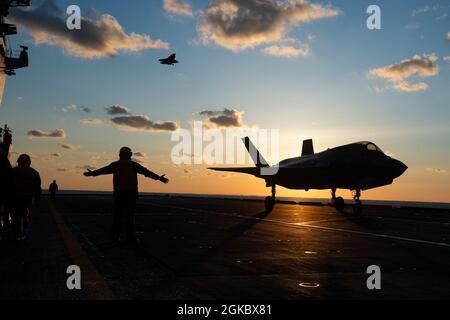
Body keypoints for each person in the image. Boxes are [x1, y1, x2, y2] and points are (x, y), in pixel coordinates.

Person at [84, 147, 169, 244]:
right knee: (129, 217)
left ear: (120, 155)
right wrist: (159, 178)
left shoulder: (115, 165)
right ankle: (130, 239)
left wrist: (91, 174)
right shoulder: (133, 165)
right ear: (130, 155)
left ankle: (115, 239)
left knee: (117, 216)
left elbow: (102, 171)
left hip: (119, 194)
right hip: (131, 194)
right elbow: (146, 172)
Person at [11, 154, 41, 241]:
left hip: (14, 198)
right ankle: (23, 232)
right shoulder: (34, 172)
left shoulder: (12, 171)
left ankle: (15, 233)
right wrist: (37, 200)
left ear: (18, 161)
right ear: (29, 162)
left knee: (15, 216)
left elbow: (6, 185)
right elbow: (37, 188)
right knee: (24, 215)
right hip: (26, 198)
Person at [0, 150, 12, 237]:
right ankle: (6, 223)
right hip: (4, 189)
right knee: (6, 207)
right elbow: (10, 173)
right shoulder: (3, 159)